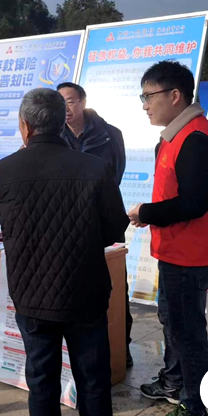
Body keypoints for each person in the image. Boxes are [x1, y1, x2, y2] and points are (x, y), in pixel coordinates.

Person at [0, 88, 128, 416]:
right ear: (60, 122)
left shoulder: (3, 171)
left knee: (41, 379)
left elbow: (5, 220)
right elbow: (115, 229)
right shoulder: (94, 168)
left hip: (32, 294)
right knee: (93, 377)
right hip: (85, 290)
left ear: (25, 126)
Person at [127, 61, 208, 416]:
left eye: (148, 96)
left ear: (174, 95)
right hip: (175, 250)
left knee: (188, 332)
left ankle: (195, 407)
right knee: (172, 320)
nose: (144, 105)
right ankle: (173, 382)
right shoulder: (175, 135)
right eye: (142, 97)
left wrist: (146, 212)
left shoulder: (196, 138)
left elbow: (193, 203)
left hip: (191, 255)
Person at [57, 82, 134, 368]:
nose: (66, 108)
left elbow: (116, 176)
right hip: (66, 225)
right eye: (60, 102)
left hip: (103, 220)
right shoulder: (54, 136)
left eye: (70, 101)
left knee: (115, 285)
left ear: (83, 102)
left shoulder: (111, 134)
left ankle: (121, 347)